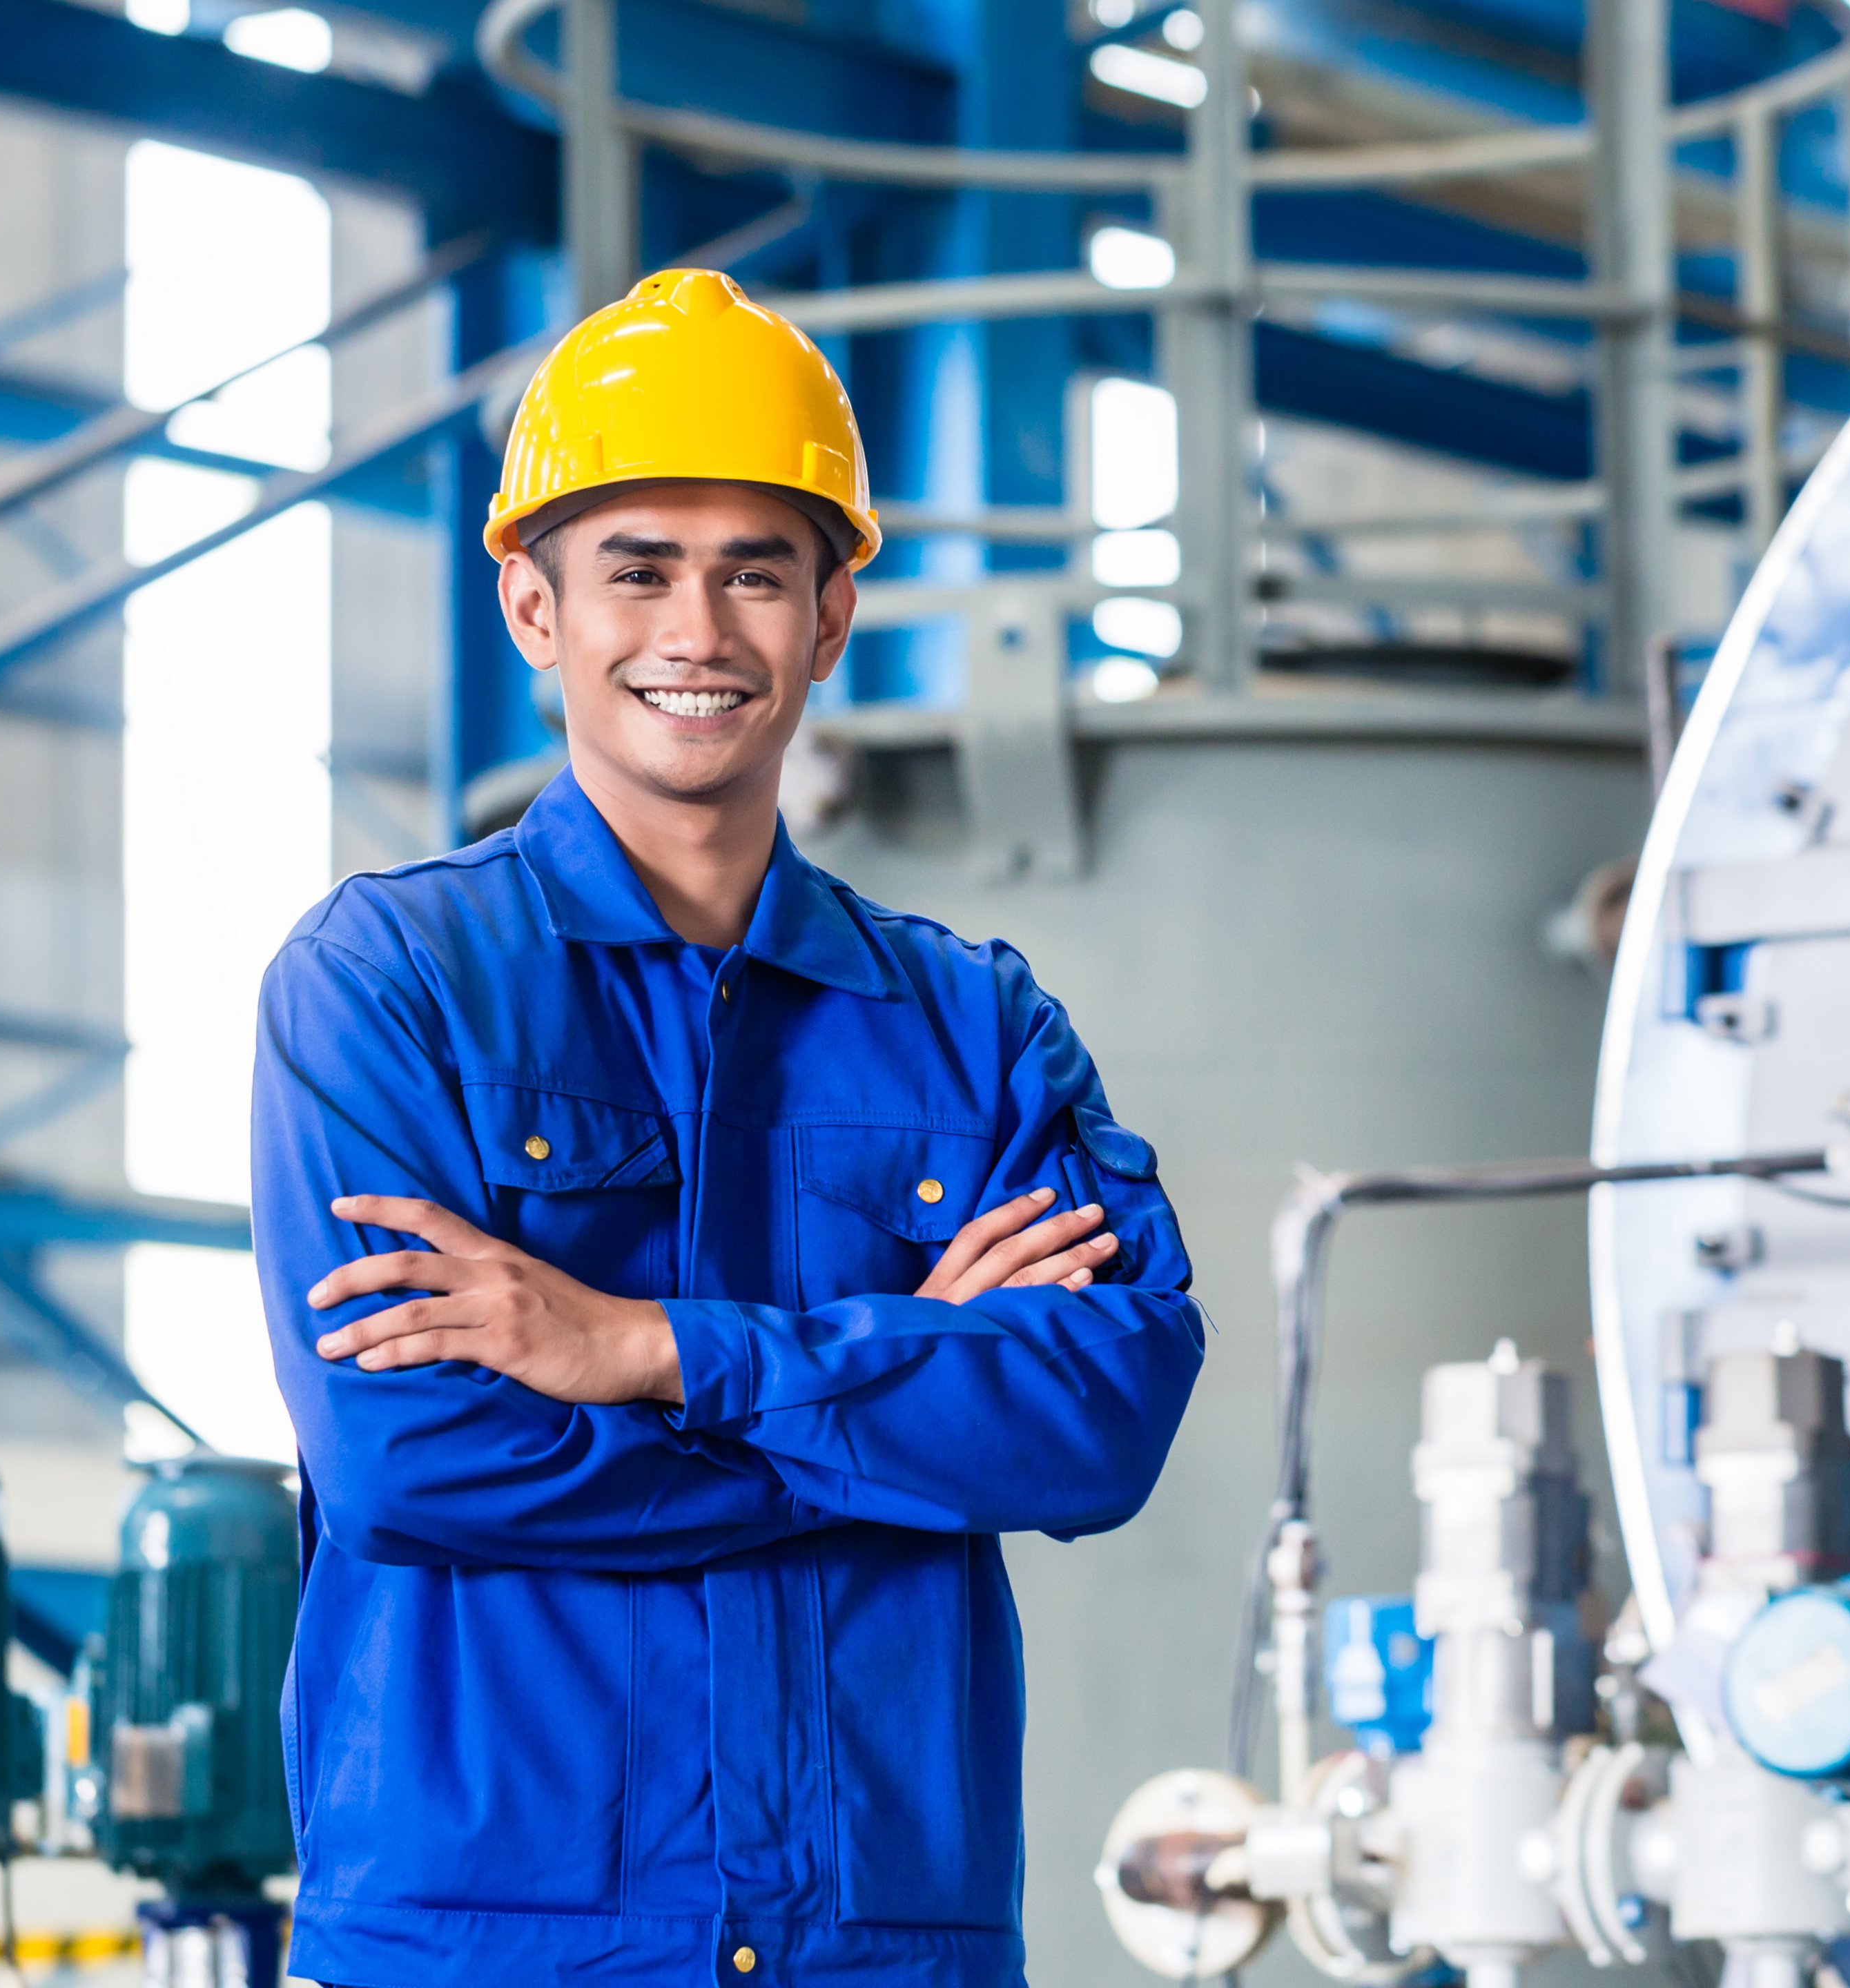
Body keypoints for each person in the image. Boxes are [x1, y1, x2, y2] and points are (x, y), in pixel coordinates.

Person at [247, 269, 1203, 1988]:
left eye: (756, 571)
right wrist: (903, 1398)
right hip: (492, 1947)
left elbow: (1101, 1419)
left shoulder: (970, 1024)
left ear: (833, 614)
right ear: (535, 610)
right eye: (638, 571)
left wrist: (647, 1348)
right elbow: (414, 1463)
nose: (697, 631)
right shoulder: (386, 987)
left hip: (879, 1943)